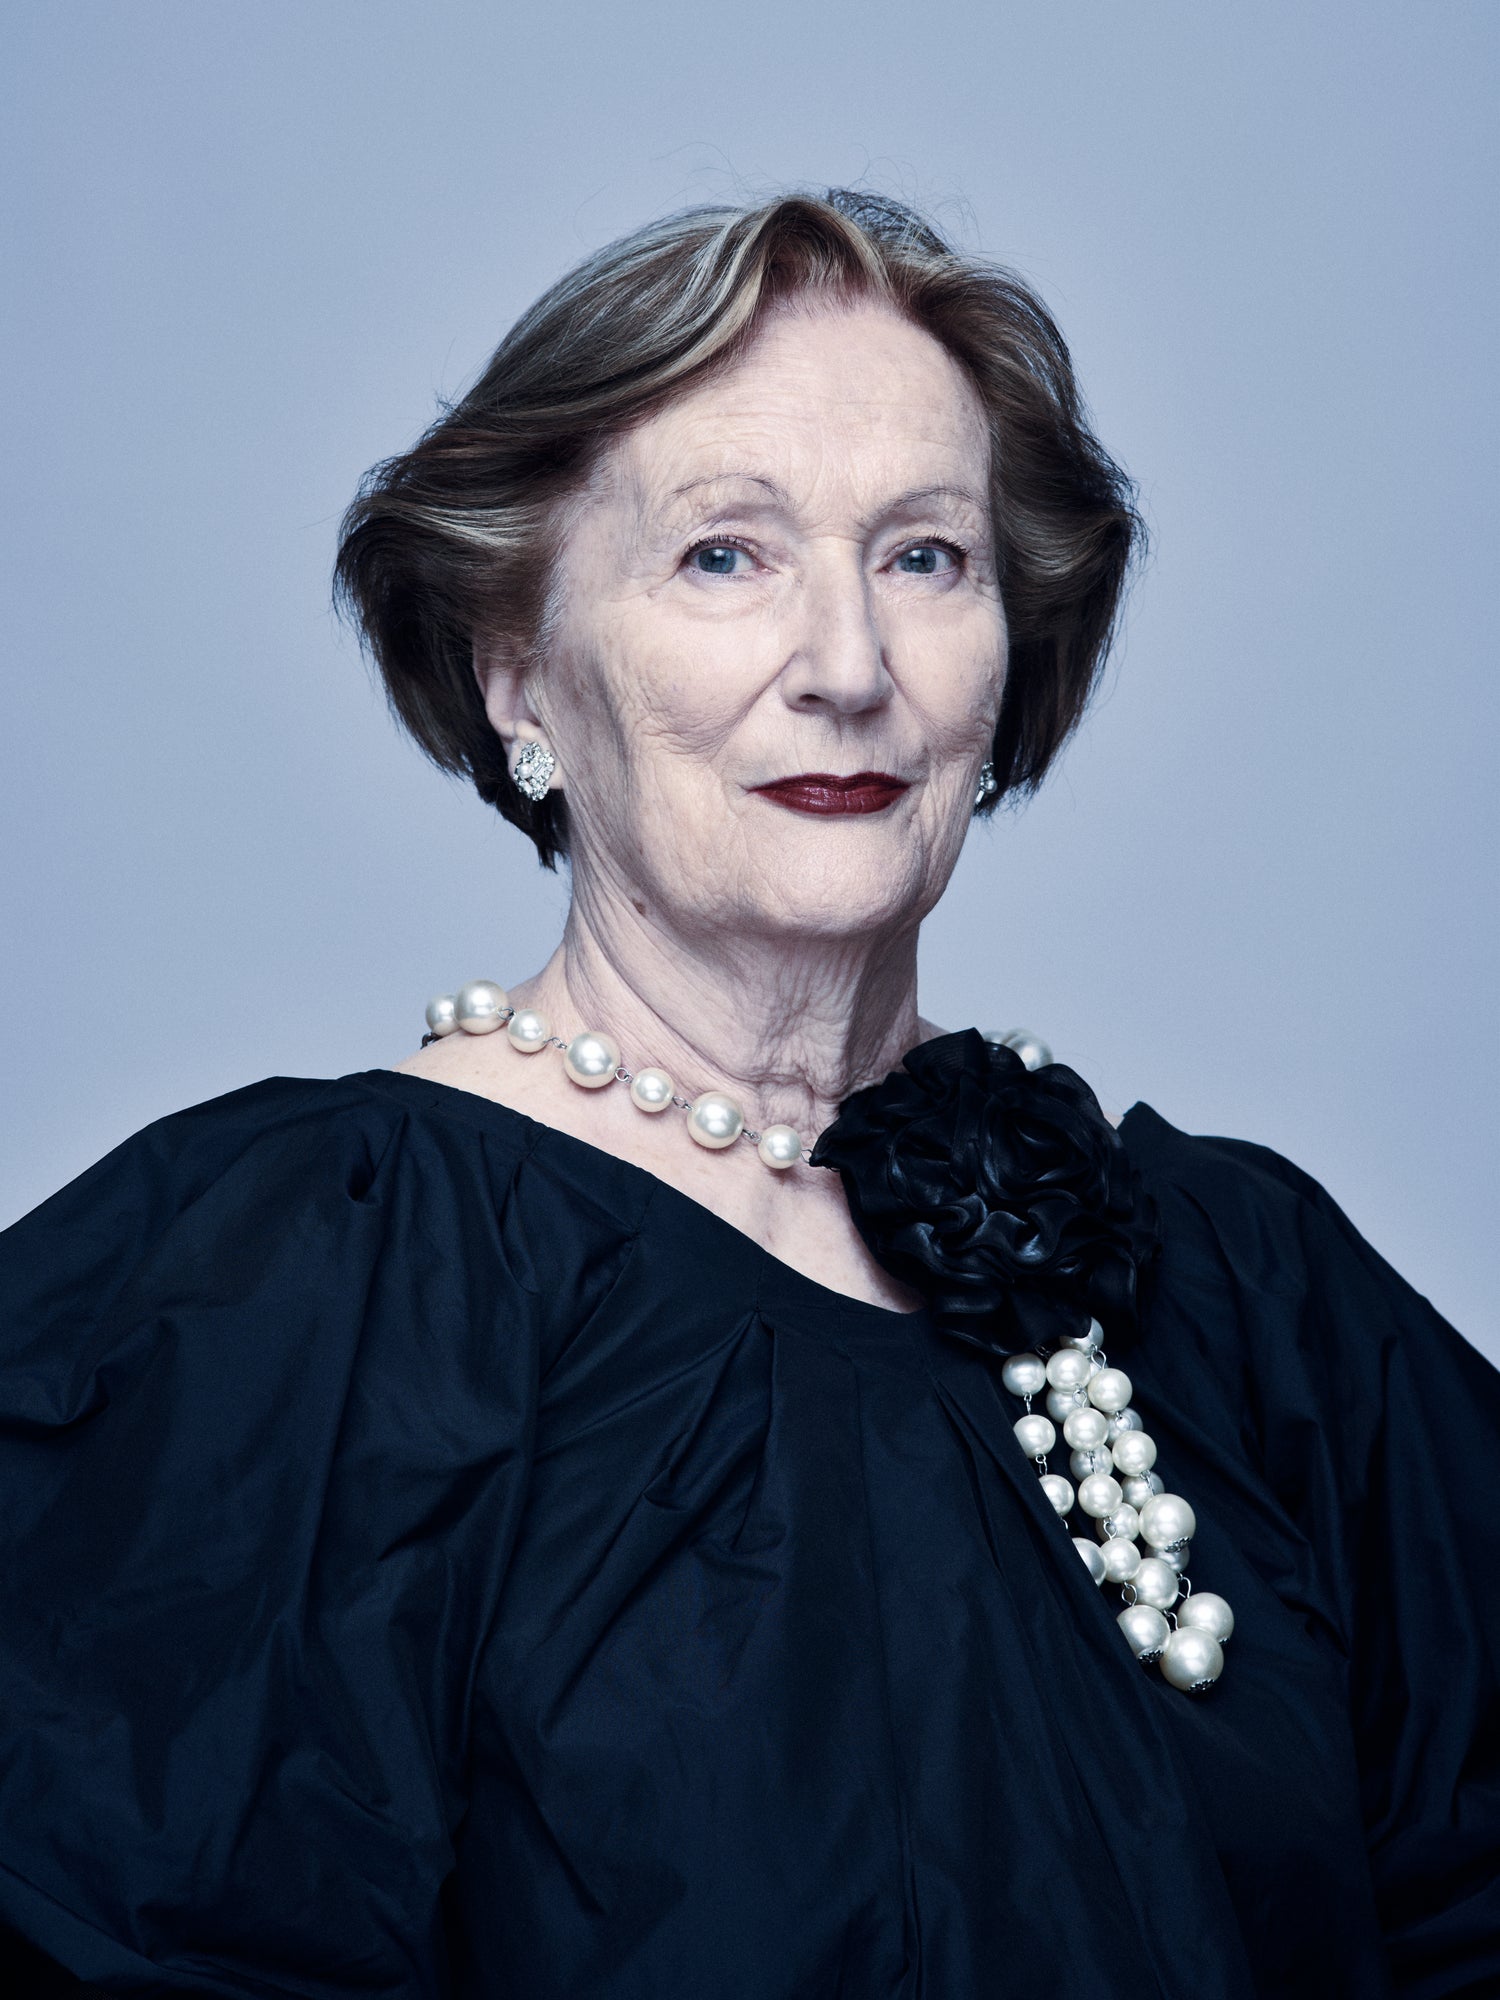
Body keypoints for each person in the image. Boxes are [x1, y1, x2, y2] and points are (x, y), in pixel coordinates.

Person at [0, 189, 1495, 1999]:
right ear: (516, 672)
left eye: (924, 558)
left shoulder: (1247, 1290)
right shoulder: (297, 1294)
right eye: (726, 556)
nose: (848, 668)